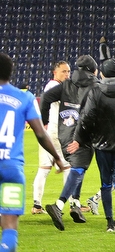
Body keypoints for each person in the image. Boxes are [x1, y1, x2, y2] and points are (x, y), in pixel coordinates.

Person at [0, 52, 70, 252]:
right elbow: (41, 133)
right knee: (9, 225)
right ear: (11, 73)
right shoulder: (24, 97)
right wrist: (59, 159)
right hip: (11, 170)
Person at [71, 58, 115, 233]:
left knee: (106, 182)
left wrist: (82, 137)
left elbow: (87, 116)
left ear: (102, 73)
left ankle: (110, 222)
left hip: (102, 144)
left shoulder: (96, 91)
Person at [39, 55, 99, 229]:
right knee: (79, 168)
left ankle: (75, 205)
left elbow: (46, 98)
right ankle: (59, 205)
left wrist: (44, 120)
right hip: (83, 135)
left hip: (64, 134)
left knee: (78, 168)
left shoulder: (65, 85)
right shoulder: (95, 87)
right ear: (92, 70)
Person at [31, 60, 70, 214]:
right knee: (68, 167)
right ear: (55, 72)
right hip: (56, 133)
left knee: (44, 168)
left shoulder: (50, 85)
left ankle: (37, 204)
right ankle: (71, 203)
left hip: (47, 133)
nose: (67, 74)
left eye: (68, 71)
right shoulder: (56, 87)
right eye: (63, 71)